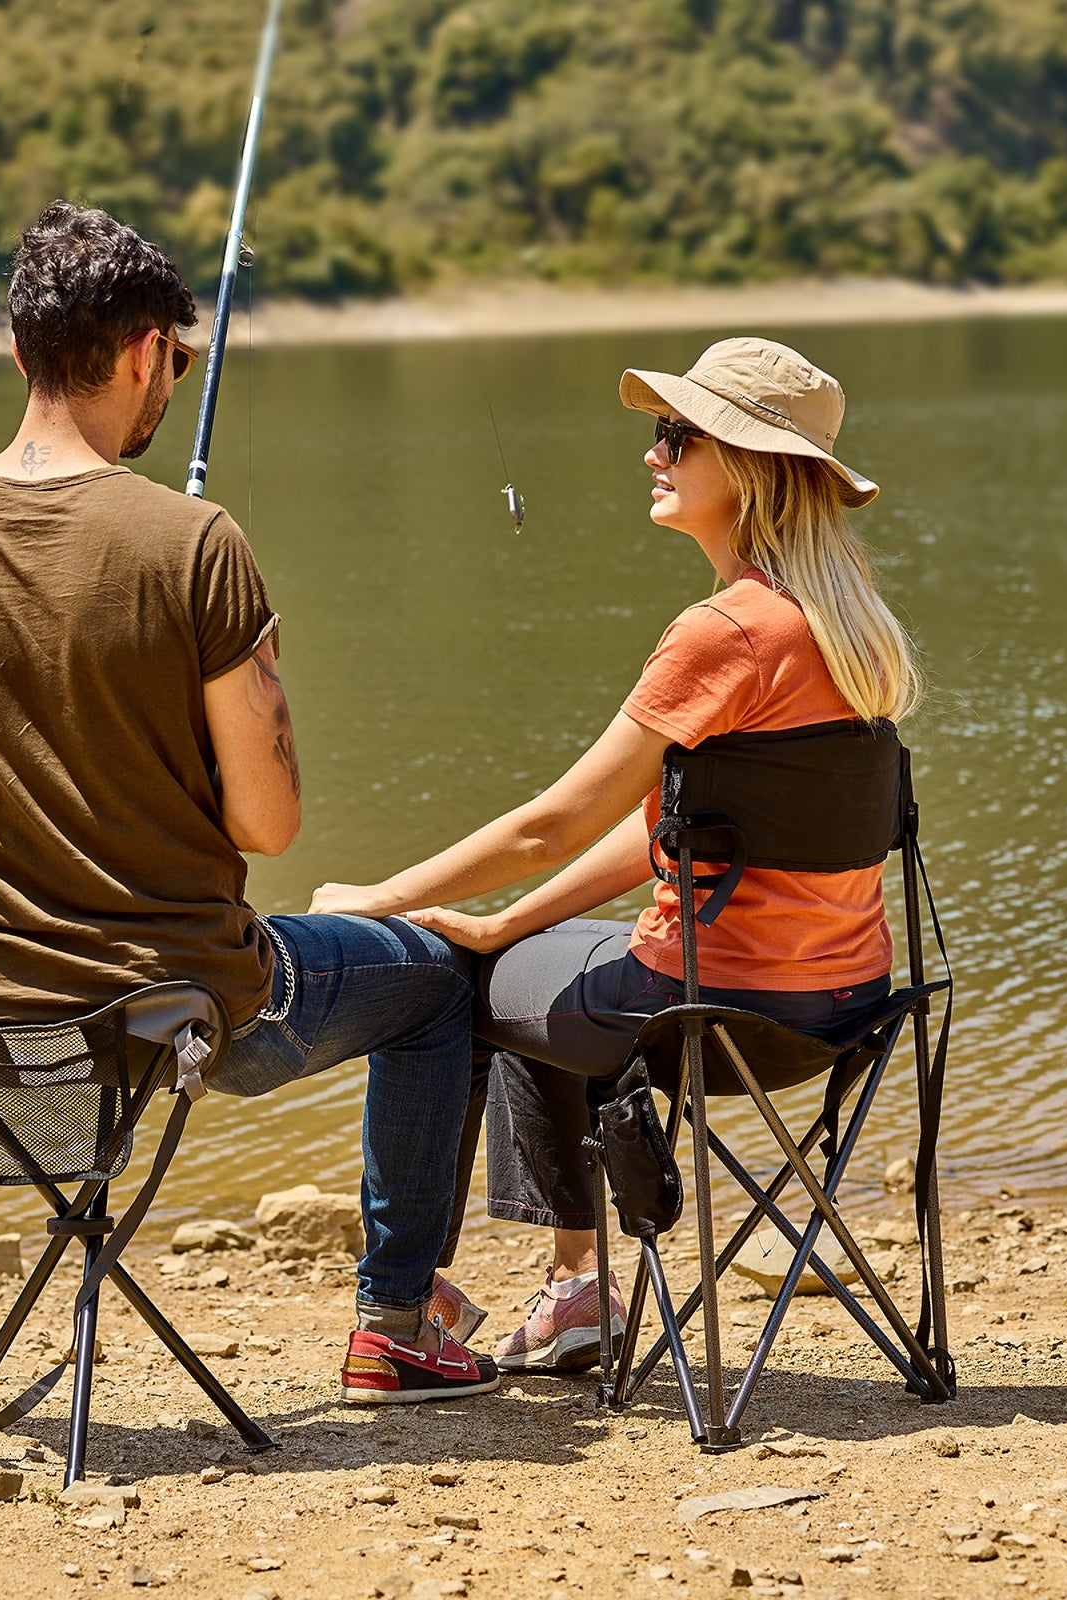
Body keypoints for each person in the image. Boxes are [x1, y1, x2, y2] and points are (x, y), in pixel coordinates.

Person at [0, 202, 498, 1425]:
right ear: (143, 352)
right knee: (439, 986)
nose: (173, 382)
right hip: (178, 1008)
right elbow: (269, 824)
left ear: (19, 350)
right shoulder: (198, 544)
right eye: (174, 359)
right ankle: (393, 1329)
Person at [313, 336, 919, 1374]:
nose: (653, 454)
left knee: (447, 984)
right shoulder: (853, 630)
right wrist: (510, 920)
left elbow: (549, 825)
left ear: (747, 467)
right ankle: (572, 1291)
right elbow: (679, 837)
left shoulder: (725, 632)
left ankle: (421, 1302)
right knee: (519, 955)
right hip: (842, 1011)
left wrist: (379, 898)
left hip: (704, 1008)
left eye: (677, 436)